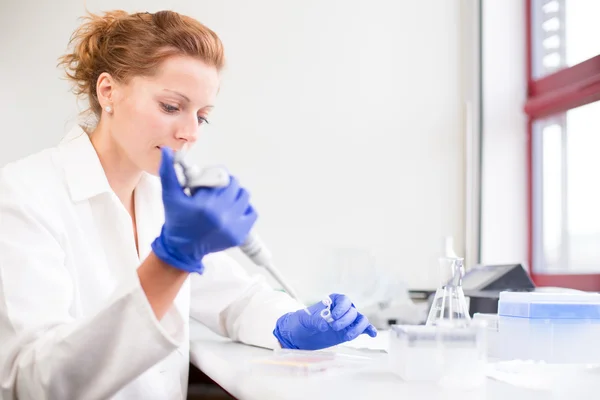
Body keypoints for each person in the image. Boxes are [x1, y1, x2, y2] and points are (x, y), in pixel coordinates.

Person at [0, 9, 377, 400]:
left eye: (202, 116)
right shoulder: (26, 193)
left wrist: (290, 324)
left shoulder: (162, 200)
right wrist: (170, 261)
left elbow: (235, 300)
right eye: (170, 107)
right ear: (108, 91)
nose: (189, 133)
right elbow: (36, 383)